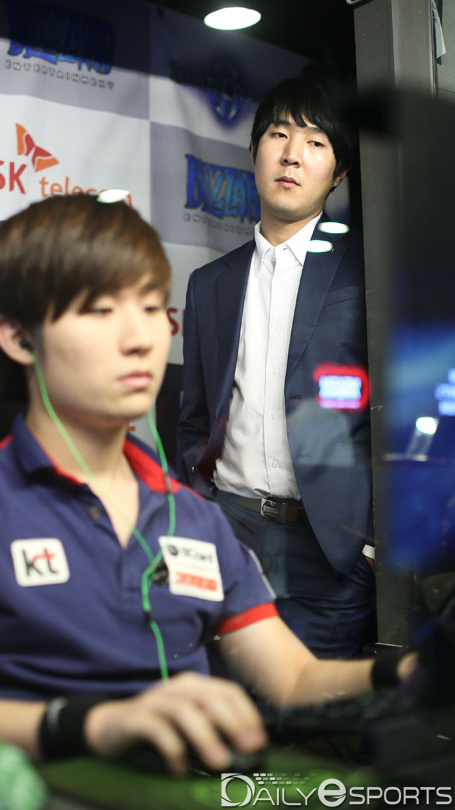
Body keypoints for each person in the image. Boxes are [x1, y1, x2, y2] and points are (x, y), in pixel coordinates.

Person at [0, 195, 406, 777]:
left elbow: (295, 678)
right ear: (19, 337)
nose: (141, 338)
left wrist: (405, 673)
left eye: (151, 308)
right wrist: (96, 724)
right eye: (101, 310)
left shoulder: (192, 516)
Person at [177, 72, 375, 659]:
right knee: (229, 702)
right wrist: (200, 510)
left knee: (313, 705)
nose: (292, 155)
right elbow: (195, 416)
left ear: (338, 172)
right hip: (231, 531)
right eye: (279, 135)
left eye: (316, 142)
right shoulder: (209, 283)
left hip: (331, 544)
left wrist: (371, 541)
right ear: (255, 149)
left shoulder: (365, 269)